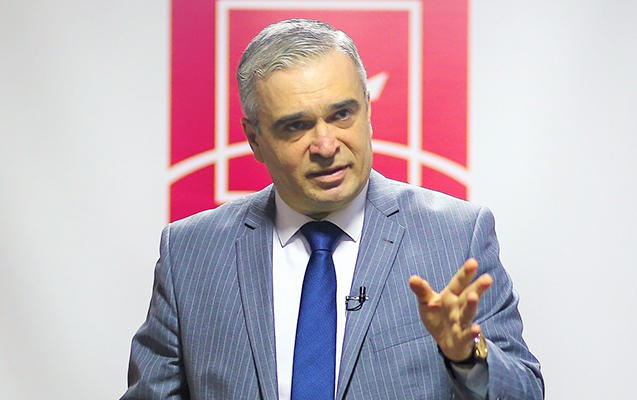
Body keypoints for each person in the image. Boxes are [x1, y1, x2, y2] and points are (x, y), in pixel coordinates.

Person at [121, 19, 544, 400]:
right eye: (296, 125)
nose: (326, 145)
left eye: (342, 114)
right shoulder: (189, 253)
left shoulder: (457, 236)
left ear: (367, 111)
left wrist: (468, 355)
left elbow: (525, 392)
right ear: (254, 139)